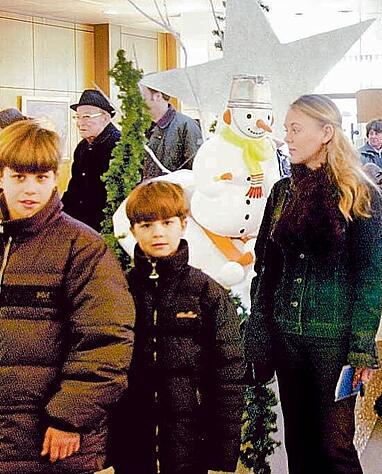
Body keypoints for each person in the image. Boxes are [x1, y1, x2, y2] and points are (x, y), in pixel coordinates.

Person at [245, 94, 382, 473]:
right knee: (300, 442)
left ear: (326, 133)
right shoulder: (281, 193)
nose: (286, 138)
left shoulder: (359, 194)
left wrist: (361, 348)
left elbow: (369, 278)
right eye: (286, 129)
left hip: (334, 342)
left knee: (335, 446)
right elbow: (265, 269)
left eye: (295, 129)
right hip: (287, 336)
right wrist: (259, 330)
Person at [0, 120, 134, 472]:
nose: (30, 189)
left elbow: (107, 340)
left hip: (51, 440)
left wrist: (70, 417)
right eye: (18, 177)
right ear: (1, 177)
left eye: (41, 177)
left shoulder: (83, 247)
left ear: (55, 178)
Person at [109, 180, 245, 473]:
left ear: (183, 224)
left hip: (191, 442)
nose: (158, 232)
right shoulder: (119, 291)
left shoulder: (207, 293)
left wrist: (222, 451)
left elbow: (228, 373)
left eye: (167, 222)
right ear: (133, 230)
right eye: (146, 225)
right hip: (132, 439)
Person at [61, 89, 120, 232]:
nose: (79, 123)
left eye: (86, 116)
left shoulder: (120, 146)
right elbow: (74, 189)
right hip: (81, 227)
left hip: (109, 229)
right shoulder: (82, 147)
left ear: (105, 118)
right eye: (77, 117)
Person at [140, 84, 203, 178]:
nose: (137, 100)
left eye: (142, 95)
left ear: (158, 96)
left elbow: (195, 171)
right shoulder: (141, 127)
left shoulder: (187, 126)